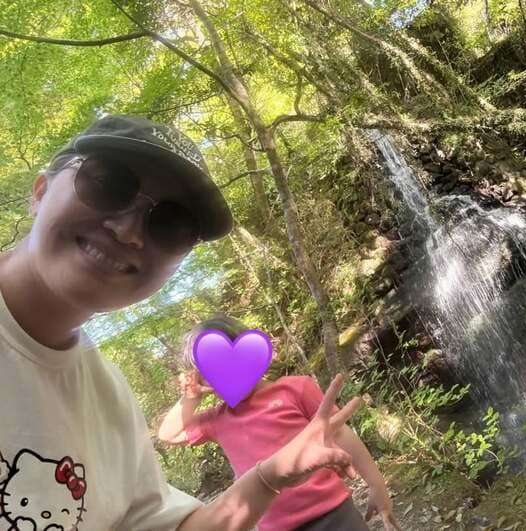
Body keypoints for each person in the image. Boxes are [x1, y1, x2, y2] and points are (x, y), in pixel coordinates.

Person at [0, 114, 361, 531]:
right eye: (108, 184)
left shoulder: (110, 401)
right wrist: (191, 400)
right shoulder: (214, 417)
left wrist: (269, 476)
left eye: (171, 226)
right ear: (40, 191)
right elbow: (173, 432)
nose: (129, 232)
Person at [158, 315, 401, 531]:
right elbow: (168, 435)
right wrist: (190, 398)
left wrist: (376, 485)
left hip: (333, 512)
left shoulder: (295, 389)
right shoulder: (217, 419)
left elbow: (340, 433)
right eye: (211, 375)